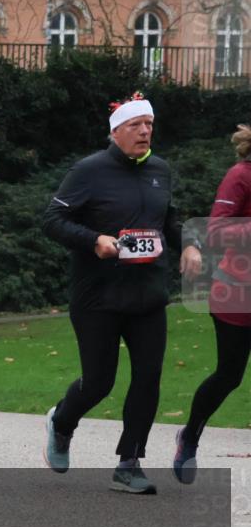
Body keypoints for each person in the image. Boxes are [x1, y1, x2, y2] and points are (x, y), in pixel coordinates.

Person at [41, 93, 202, 494]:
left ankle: (129, 463)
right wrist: (94, 238)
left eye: (149, 124)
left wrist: (189, 244)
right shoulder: (89, 170)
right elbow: (52, 219)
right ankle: (62, 423)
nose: (145, 131)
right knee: (99, 383)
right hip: (98, 295)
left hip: (148, 294)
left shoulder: (161, 171)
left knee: (148, 378)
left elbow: (168, 219)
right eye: (136, 125)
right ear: (116, 132)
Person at [174, 123, 250, 484]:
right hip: (238, 293)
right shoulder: (240, 176)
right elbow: (216, 230)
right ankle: (189, 437)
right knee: (229, 375)